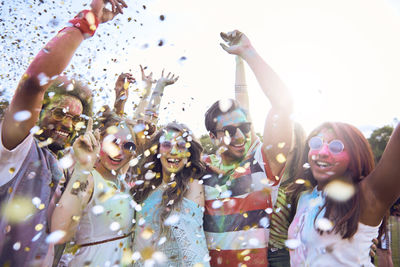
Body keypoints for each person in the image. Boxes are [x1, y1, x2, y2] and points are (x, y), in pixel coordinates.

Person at [0, 1, 126, 266]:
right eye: (58, 113)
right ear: (38, 111)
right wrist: (86, 22)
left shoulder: (60, 166)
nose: (67, 125)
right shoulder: (16, 147)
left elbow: (61, 232)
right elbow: (35, 80)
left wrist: (82, 169)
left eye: (74, 119)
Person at [202, 30, 293, 266]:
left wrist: (247, 54)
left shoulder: (262, 162)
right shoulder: (201, 171)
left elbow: (283, 104)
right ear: (212, 137)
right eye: (230, 131)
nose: (240, 135)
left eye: (244, 127)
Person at [288, 122, 400, 266]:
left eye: (336, 146)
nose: (322, 151)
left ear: (355, 155)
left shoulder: (365, 195)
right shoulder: (303, 197)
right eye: (316, 143)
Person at [50, 113, 136, 266]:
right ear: (99, 141)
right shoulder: (89, 179)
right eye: (112, 142)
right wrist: (83, 167)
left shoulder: (120, 180)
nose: (119, 151)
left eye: (128, 146)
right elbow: (59, 231)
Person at [131, 123, 210, 266]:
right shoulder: (147, 187)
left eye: (180, 146)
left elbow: (193, 246)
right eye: (167, 144)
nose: (173, 151)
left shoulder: (191, 186)